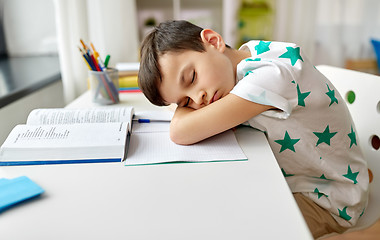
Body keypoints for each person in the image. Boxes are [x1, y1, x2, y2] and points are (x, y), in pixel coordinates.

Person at [138, 20, 369, 239]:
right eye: (186, 102)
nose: (199, 98)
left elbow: (180, 131)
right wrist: (183, 100)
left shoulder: (269, 78)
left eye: (192, 77)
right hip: (297, 180)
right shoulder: (248, 54)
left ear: (213, 40)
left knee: (242, 229)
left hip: (330, 202)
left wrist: (181, 108)